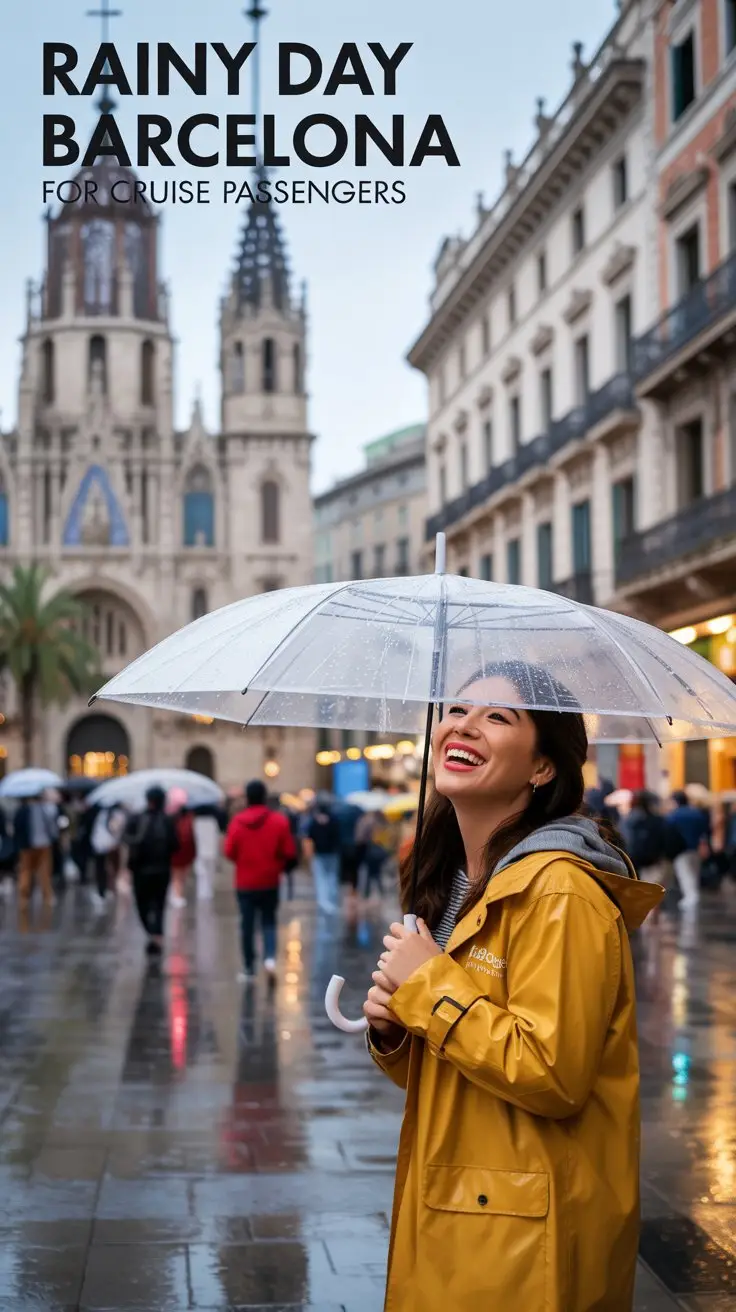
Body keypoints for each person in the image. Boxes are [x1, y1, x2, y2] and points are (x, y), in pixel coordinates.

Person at [363, 663, 663, 1311]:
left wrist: (429, 985)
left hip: (527, 1242)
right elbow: (467, 1068)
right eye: (455, 710)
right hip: (465, 1211)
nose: (462, 725)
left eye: (497, 717)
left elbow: (552, 1073)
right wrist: (394, 1029)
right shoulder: (454, 886)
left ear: (543, 768)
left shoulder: (559, 890)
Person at [224, 779, 296, 982]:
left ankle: (248, 967)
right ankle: (270, 959)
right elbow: (288, 851)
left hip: (245, 882)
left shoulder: (237, 822)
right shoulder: (279, 821)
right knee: (269, 921)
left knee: (247, 924)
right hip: (270, 880)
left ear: (247, 798)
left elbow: (229, 851)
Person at [125, 786, 178, 956]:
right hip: (160, 869)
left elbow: (126, 838)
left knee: (143, 904)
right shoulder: (167, 820)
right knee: (158, 904)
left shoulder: (137, 818)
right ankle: (156, 934)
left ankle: (152, 933)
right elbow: (175, 845)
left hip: (142, 870)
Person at [666, 789, 710, 909]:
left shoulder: (674, 815)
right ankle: (694, 894)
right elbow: (705, 830)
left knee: (685, 874)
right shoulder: (697, 813)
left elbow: (669, 831)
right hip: (696, 847)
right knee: (694, 873)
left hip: (681, 849)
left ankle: (691, 897)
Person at [14, 792, 58, 909]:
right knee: (44, 872)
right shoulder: (45, 810)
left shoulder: (23, 811)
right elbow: (52, 827)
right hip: (43, 844)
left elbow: (17, 827)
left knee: (26, 872)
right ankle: (47, 896)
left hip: (27, 846)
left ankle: (24, 898)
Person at [621, 790, 670, 883]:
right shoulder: (657, 820)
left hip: (631, 861)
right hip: (652, 861)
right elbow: (664, 840)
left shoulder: (627, 819)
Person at [303, 796, 341, 914]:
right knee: (331, 878)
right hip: (332, 853)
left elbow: (309, 837)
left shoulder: (313, 820)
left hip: (319, 853)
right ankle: (330, 901)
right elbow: (338, 836)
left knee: (321, 879)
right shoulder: (334, 819)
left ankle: (323, 901)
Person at [167, 787, 195, 908]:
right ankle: (177, 894)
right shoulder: (189, 817)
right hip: (186, 851)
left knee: (177, 874)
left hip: (176, 850)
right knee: (181, 874)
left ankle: (176, 894)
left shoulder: (170, 817)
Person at [192, 803, 224, 902]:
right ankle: (208, 892)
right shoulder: (214, 819)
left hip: (200, 849)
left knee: (201, 871)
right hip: (211, 849)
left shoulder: (196, 820)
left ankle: (202, 892)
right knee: (209, 870)